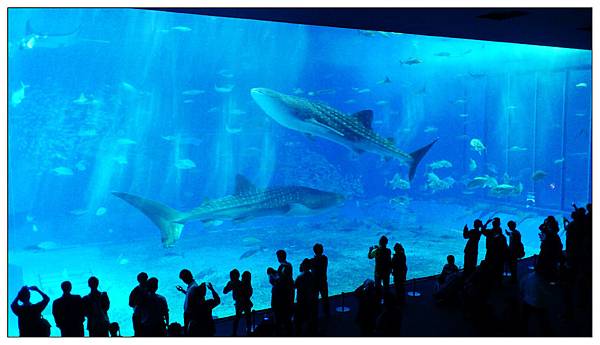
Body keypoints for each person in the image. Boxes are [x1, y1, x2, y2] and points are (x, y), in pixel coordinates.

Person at [223, 269, 252, 336]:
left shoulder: (235, 283)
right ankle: (248, 332)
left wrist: (230, 284)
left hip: (241, 303)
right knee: (246, 318)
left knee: (238, 319)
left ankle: (235, 333)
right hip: (244, 303)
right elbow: (225, 291)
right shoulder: (240, 283)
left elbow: (224, 291)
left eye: (231, 276)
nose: (231, 278)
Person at [294, 258, 318, 335]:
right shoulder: (313, 276)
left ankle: (299, 334)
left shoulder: (300, 277)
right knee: (310, 318)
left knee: (299, 319)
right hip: (311, 300)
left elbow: (294, 286)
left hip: (301, 300)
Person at [535, 216, 563, 281]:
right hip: (552, 243)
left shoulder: (549, 229)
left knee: (545, 257)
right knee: (550, 258)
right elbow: (541, 228)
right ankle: (550, 270)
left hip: (548, 244)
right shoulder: (553, 227)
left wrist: (545, 224)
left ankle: (546, 271)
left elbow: (541, 228)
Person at [481, 218, 508, 285]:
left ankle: (490, 281)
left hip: (491, 252)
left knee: (490, 266)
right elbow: (505, 246)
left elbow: (482, 230)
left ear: (493, 224)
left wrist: (486, 223)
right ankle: (499, 282)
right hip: (499, 254)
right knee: (499, 268)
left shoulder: (489, 232)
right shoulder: (502, 236)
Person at [267, 267, 291, 335]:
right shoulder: (279, 276)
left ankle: (280, 333)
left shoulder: (275, 280)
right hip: (283, 302)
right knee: (285, 319)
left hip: (278, 303)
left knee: (279, 320)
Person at [368, 235, 392, 299]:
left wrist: (370, 250)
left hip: (378, 271)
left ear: (379, 242)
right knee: (386, 286)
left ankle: (378, 300)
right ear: (386, 243)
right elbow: (383, 251)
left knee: (377, 287)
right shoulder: (388, 251)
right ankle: (387, 300)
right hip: (386, 271)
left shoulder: (376, 251)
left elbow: (370, 257)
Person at [276, 250, 294, 335]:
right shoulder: (288, 265)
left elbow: (281, 279)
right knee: (288, 308)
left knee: (285, 309)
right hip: (289, 290)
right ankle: (288, 326)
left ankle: (287, 329)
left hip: (286, 291)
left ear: (279, 257)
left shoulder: (284, 266)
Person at [176, 269, 199, 335]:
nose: (183, 281)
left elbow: (195, 301)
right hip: (189, 315)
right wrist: (182, 290)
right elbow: (190, 295)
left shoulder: (193, 287)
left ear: (187, 277)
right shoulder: (191, 287)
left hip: (191, 315)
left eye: (183, 279)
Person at [310, 243, 330, 316]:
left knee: (314, 300)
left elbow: (301, 269)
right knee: (325, 299)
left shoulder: (312, 261)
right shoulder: (325, 258)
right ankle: (327, 314)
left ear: (314, 251)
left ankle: (314, 315)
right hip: (323, 281)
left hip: (315, 283)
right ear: (322, 250)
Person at [128, 272, 148, 336]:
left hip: (144, 315)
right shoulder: (135, 290)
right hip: (139, 315)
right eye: (144, 279)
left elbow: (130, 304)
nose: (145, 280)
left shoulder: (149, 288)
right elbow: (130, 304)